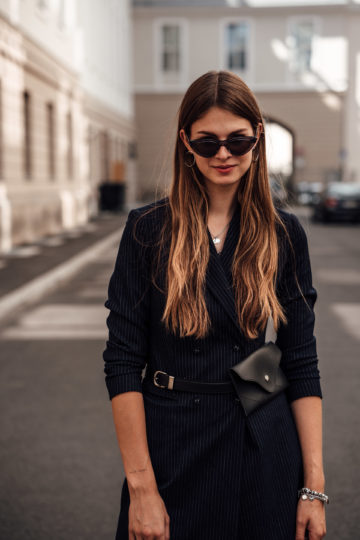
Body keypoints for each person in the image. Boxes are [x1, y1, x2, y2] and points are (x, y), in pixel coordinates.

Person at [103, 70, 327, 540]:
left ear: (257, 139)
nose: (223, 154)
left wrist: (313, 488)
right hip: (171, 444)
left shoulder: (284, 234)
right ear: (186, 142)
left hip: (262, 442)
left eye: (237, 140)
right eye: (207, 142)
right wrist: (142, 489)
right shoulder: (148, 230)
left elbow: (301, 361)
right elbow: (123, 362)